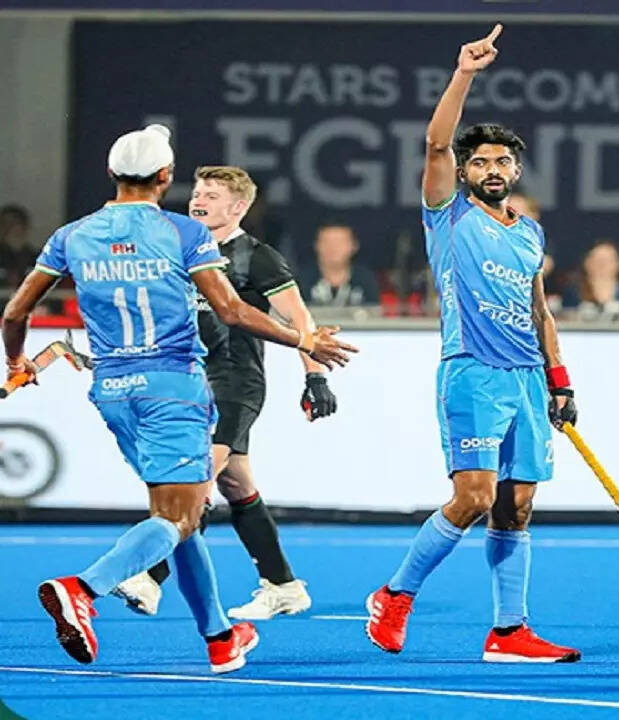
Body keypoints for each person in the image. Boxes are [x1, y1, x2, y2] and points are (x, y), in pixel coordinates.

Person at [1, 124, 355, 673]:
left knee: (177, 511)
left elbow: (15, 313)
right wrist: (304, 341)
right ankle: (84, 588)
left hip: (113, 392)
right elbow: (233, 310)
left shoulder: (72, 235)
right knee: (183, 515)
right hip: (174, 390)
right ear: (166, 177)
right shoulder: (185, 233)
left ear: (112, 173)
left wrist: (17, 362)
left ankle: (219, 637)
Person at [364, 25, 581, 663]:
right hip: (473, 373)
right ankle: (395, 596)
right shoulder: (448, 214)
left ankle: (509, 632)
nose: (492, 170)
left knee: (517, 507)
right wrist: (464, 74)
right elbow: (435, 141)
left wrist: (560, 381)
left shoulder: (530, 232)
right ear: (463, 171)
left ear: (516, 170)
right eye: (480, 162)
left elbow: (539, 311)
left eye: (502, 162)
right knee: (474, 498)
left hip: (527, 379)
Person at [112, 165, 338, 620]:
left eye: (211, 196)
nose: (198, 201)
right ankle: (283, 585)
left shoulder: (258, 258)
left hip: (236, 384)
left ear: (238, 207)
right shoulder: (178, 249)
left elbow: (300, 321)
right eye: (197, 193)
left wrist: (315, 377)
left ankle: (149, 576)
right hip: (189, 384)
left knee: (193, 481)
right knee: (235, 484)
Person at [298, 222, 381, 308]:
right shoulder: (301, 281)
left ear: (354, 246)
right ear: (316, 245)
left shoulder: (366, 280)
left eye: (340, 242)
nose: (333, 248)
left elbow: (374, 312)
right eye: (327, 242)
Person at [560, 240, 619, 322]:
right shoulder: (573, 293)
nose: (602, 265)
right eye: (597, 260)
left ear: (618, 264)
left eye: (607, 260)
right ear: (587, 263)